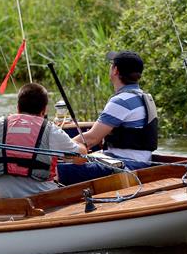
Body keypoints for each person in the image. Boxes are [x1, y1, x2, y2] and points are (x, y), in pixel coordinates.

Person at [57, 50, 158, 185]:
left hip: (127, 166)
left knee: (56, 169)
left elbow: (91, 139)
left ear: (115, 70)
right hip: (140, 162)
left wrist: (58, 150)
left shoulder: (122, 100)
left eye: (111, 65)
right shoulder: (143, 97)